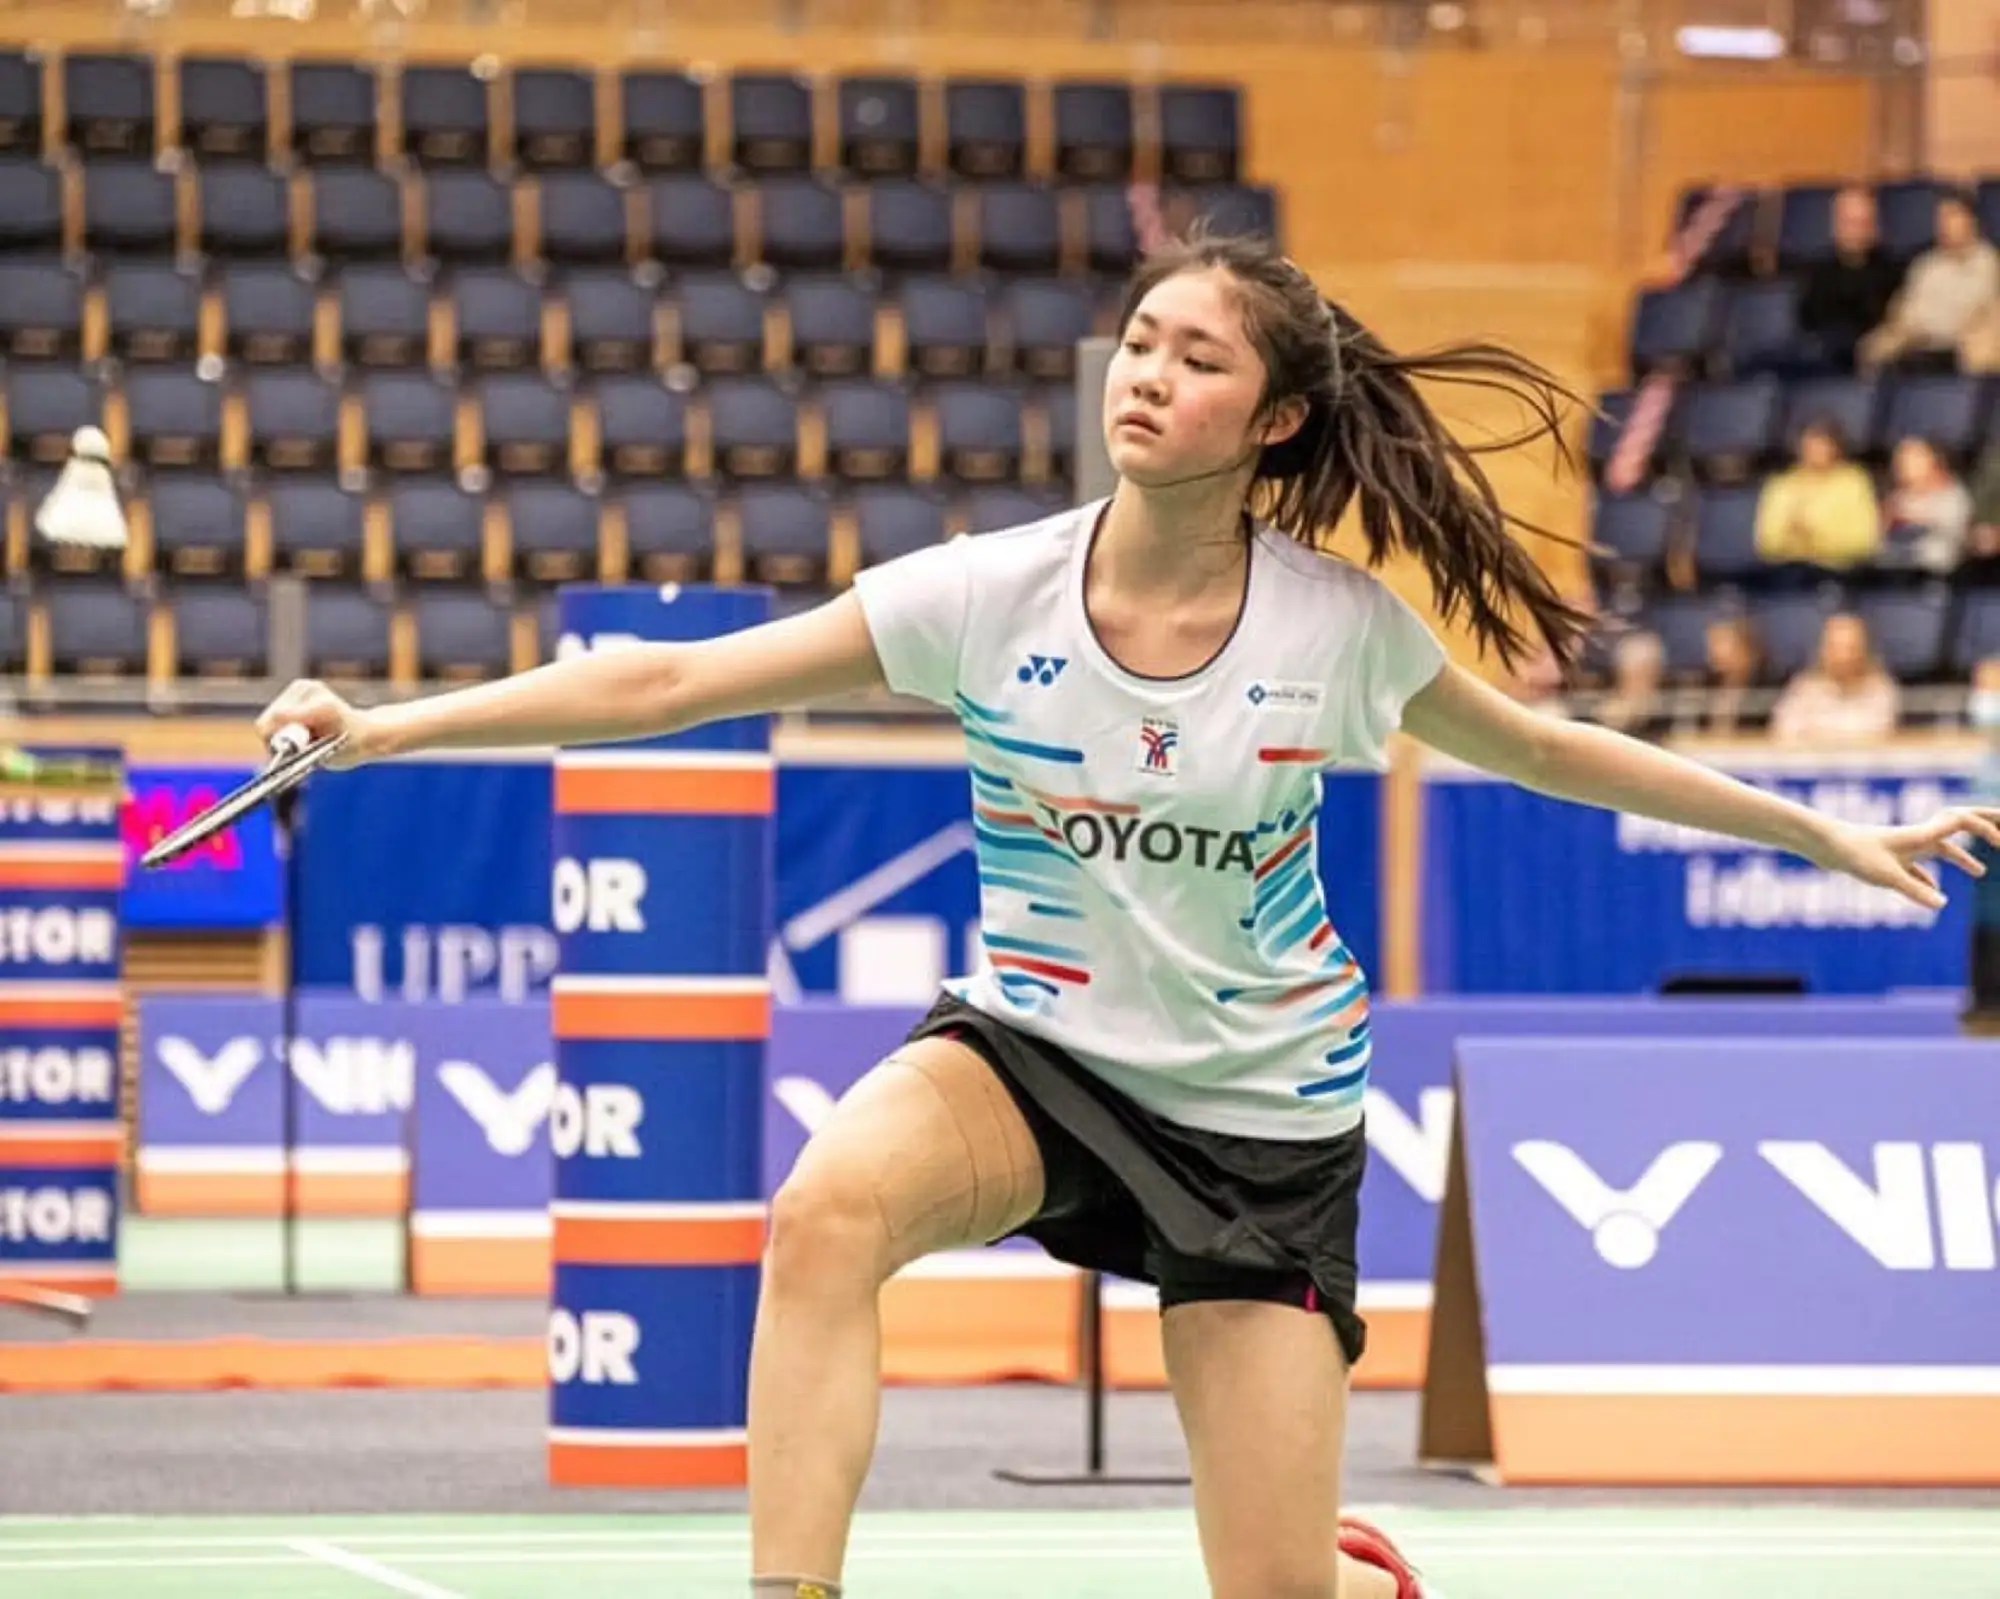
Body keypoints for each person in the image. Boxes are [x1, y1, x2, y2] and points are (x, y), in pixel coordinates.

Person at [255, 229, 2000, 1599]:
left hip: (1261, 1117)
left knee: (1270, 1583)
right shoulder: (986, 591)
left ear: (1277, 419)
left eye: (1199, 357)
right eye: (1142, 342)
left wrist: (1824, 828)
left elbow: (1550, 750)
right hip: (1036, 1049)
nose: (1150, 375)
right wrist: (386, 725)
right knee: (823, 1214)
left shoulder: (1337, 630)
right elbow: (671, 679)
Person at [1860, 189, 2000, 374]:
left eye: (1952, 217)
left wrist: (1935, 327)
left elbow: (1980, 310)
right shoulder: (1925, 265)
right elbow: (1906, 308)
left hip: (1967, 339)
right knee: (1874, 347)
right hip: (1918, 337)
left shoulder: (1989, 262)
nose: (1945, 225)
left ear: (1971, 221)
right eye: (1941, 219)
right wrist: (1910, 327)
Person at [1753, 418, 1881, 574]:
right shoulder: (1780, 485)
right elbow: (1766, 542)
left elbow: (1865, 540)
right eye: (1810, 445)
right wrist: (1794, 539)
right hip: (1786, 571)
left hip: (1838, 572)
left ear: (1835, 447)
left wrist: (1816, 538)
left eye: (1821, 445)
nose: (1815, 451)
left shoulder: (1854, 482)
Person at [1797, 185, 1902, 373]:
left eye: (1864, 223)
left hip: (1870, 358)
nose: (1856, 231)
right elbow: (1809, 322)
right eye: (1850, 223)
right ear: (1835, 226)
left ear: (1876, 227)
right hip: (1823, 358)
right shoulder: (1818, 274)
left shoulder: (1892, 273)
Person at [1771, 612, 1902, 746]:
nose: (1843, 657)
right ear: (1823, 650)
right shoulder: (1804, 689)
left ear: (1863, 650)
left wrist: (1817, 734)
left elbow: (1878, 735)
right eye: (1836, 648)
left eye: (1850, 648)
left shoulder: (1881, 690)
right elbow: (1784, 733)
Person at [1880, 436, 1972, 576]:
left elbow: (1955, 538)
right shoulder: (1897, 498)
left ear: (1932, 462)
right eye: (1899, 462)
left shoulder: (1952, 497)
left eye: (1911, 461)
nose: (1902, 467)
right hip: (1896, 573)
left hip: (1938, 575)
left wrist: (1918, 521)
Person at [1591, 630, 1671, 741]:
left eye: (1651, 669)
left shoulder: (1668, 710)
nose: (1645, 675)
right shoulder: (1603, 709)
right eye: (1639, 669)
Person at [1701, 613, 1770, 737]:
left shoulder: (1767, 687)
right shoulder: (1704, 685)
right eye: (1712, 643)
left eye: (1721, 642)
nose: (1713, 651)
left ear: (1745, 646)